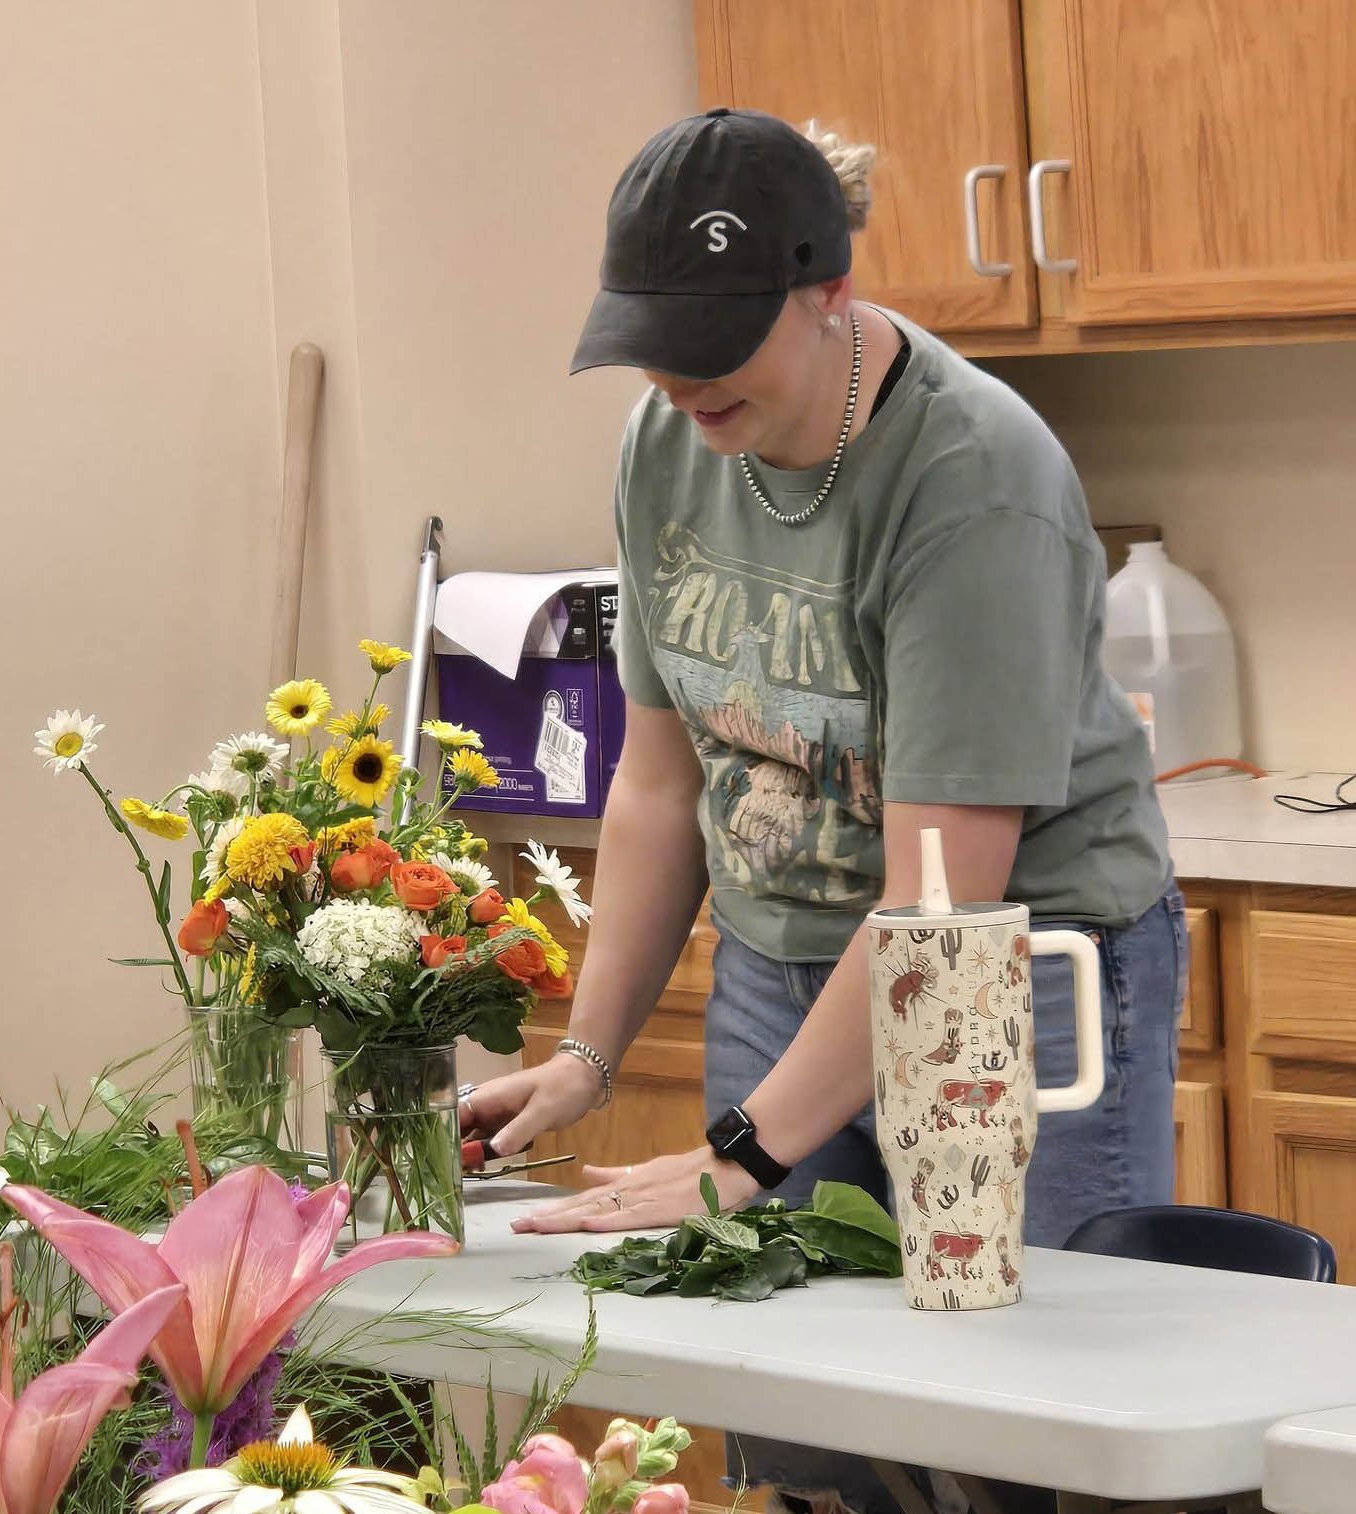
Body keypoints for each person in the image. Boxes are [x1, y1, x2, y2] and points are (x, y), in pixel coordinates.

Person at [460, 109, 1186, 1514]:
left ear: (827, 289)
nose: (679, 382)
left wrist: (739, 1152)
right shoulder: (666, 446)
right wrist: (590, 1060)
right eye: (653, 340)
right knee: (792, 1419)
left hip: (1014, 974)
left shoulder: (975, 482)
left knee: (1026, 1424)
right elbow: (662, 781)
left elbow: (936, 900)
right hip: (781, 960)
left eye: (714, 341)